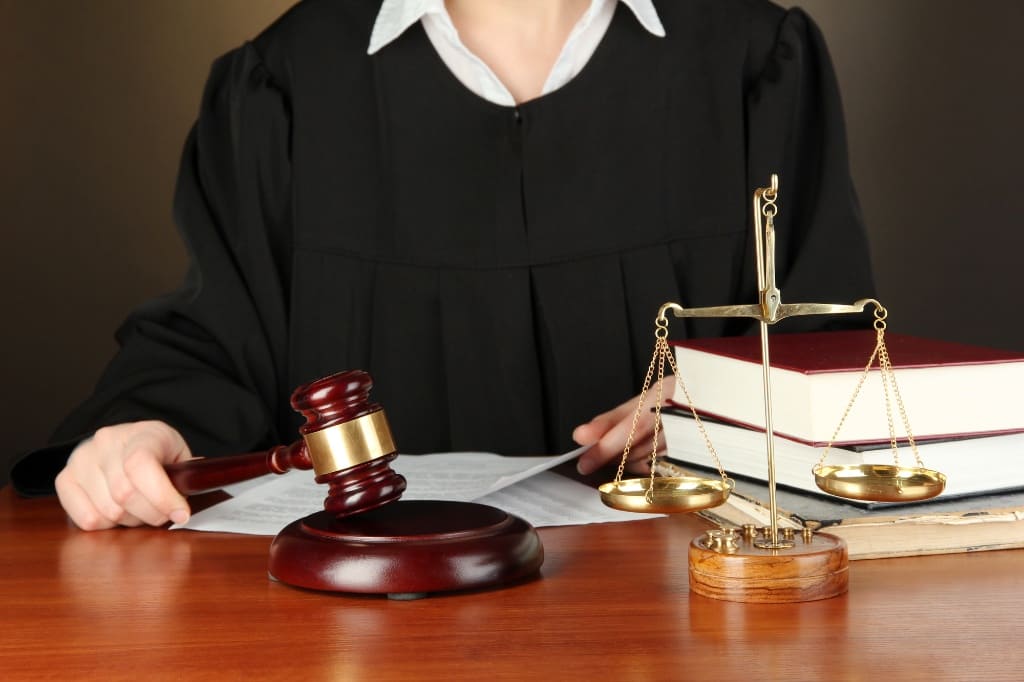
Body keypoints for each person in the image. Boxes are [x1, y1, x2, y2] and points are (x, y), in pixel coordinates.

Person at [9, 0, 874, 530]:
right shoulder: (285, 87)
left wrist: (715, 406)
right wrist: (145, 436)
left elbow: (836, 353)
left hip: (683, 623)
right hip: (367, 640)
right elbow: (217, 344)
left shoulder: (757, 64)